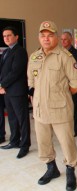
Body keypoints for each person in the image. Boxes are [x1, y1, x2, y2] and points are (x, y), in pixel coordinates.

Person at [27, 21, 77, 190]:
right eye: (43, 36)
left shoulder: (65, 57)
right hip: (39, 109)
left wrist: (60, 95)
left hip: (60, 109)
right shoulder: (34, 56)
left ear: (56, 37)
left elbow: (76, 84)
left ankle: (70, 169)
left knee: (66, 142)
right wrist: (34, 96)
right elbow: (31, 80)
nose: (46, 39)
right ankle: (51, 168)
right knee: (43, 142)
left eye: (50, 36)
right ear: (39, 38)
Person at [0, 26, 31, 159]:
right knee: (12, 119)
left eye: (9, 35)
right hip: (8, 91)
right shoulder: (6, 51)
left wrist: (2, 84)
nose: (6, 38)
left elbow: (16, 72)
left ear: (16, 37)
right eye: (4, 36)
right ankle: (14, 141)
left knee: (22, 119)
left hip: (17, 91)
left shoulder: (20, 51)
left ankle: (24, 145)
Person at [61, 32, 77, 137]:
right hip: (63, 86)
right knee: (65, 108)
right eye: (62, 39)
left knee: (75, 108)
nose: (63, 41)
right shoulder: (60, 53)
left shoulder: (76, 54)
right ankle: (67, 128)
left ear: (70, 40)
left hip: (73, 86)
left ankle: (75, 129)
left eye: (65, 39)